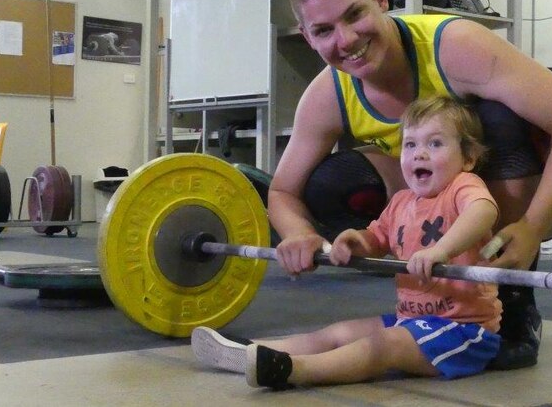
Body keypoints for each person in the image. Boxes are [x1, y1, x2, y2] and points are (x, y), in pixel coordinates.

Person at [267, 0, 552, 370]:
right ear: (308, 38)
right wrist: (298, 234)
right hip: (442, 206)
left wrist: (533, 227)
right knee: (331, 184)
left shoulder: (455, 45)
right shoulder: (327, 94)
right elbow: (283, 192)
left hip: (549, 188)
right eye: (324, 31)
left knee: (497, 121)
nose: (346, 40)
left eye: (355, 15)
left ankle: (515, 302)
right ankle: (435, 300)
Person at [194, 96, 502, 389]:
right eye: (410, 145)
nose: (419, 153)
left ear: (469, 158)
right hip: (412, 319)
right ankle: (252, 351)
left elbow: (483, 211)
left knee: (385, 345)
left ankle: (293, 370)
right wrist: (357, 242)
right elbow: (377, 238)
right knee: (339, 333)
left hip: (464, 331)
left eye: (435, 143)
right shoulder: (401, 201)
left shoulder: (463, 187)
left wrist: (441, 250)